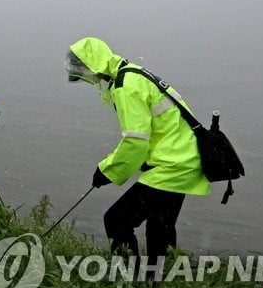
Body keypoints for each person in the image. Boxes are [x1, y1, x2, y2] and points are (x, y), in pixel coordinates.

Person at [65, 36, 210, 268]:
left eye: (87, 75)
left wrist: (106, 171)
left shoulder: (125, 87)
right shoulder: (131, 71)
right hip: (186, 158)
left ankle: (128, 280)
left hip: (172, 165)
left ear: (95, 68)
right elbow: (157, 128)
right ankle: (157, 285)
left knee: (116, 220)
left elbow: (135, 142)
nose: (89, 81)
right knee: (160, 226)